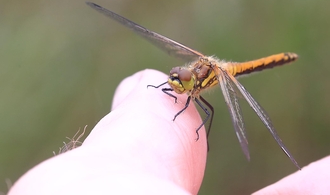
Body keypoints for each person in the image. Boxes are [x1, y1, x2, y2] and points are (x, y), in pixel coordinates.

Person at [7, 70, 330, 194]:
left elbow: (203, 108)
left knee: (208, 111)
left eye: (183, 81)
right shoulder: (185, 77)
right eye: (176, 78)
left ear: (197, 81)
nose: (177, 83)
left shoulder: (204, 83)